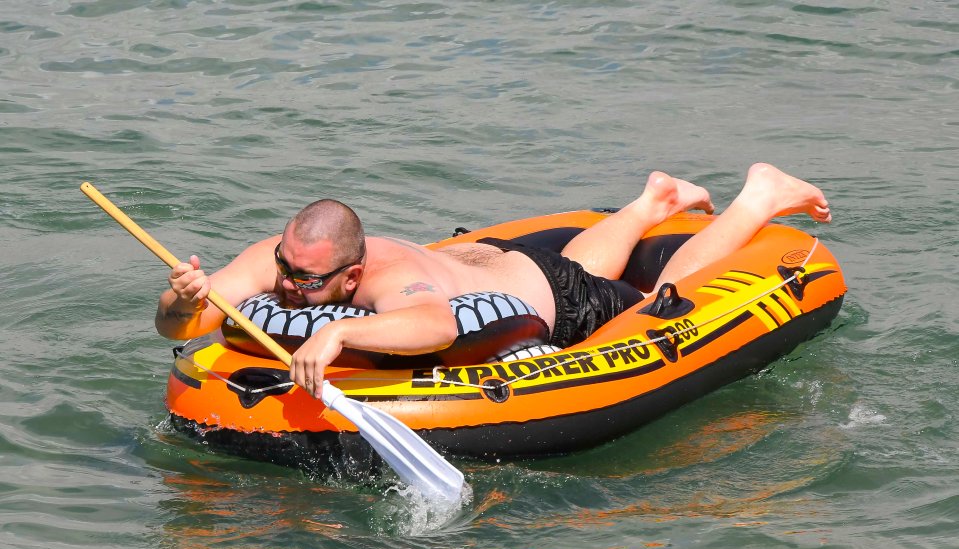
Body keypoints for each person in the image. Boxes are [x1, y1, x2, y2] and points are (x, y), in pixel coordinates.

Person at [156, 163, 830, 398]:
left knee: (665, 297)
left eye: (306, 281)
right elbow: (182, 328)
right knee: (582, 260)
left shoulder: (388, 281)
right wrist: (178, 300)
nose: (288, 287)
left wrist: (335, 337)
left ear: (353, 272)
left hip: (553, 299)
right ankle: (651, 203)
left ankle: (758, 197)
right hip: (500, 259)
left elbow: (435, 326)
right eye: (284, 270)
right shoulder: (277, 260)